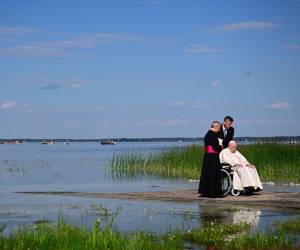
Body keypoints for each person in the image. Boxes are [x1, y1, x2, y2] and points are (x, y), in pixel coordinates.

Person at [198, 121, 223, 198]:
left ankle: (206, 191)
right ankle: (213, 192)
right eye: (219, 128)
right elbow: (216, 147)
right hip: (212, 156)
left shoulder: (209, 134)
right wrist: (220, 146)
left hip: (208, 156)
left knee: (207, 174)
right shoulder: (212, 136)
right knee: (213, 174)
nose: (219, 129)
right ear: (215, 127)